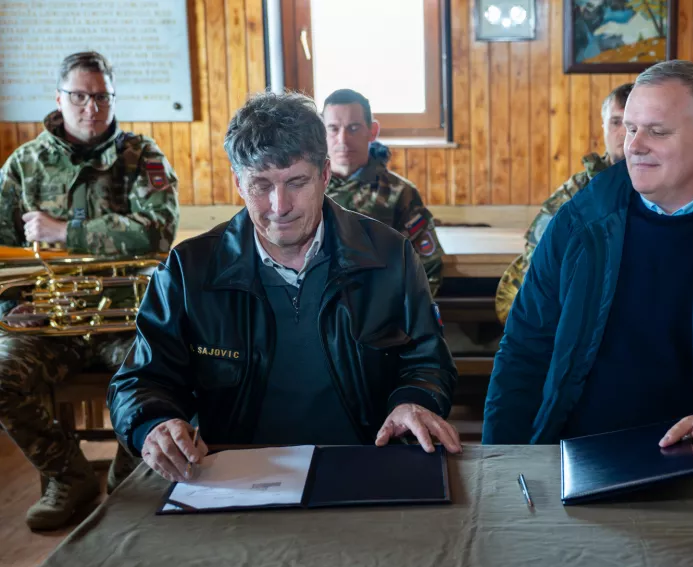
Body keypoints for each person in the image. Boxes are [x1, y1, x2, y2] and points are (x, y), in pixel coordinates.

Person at [482, 61, 693, 470]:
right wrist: (499, 462)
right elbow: (523, 349)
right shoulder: (578, 224)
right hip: (577, 460)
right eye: (630, 129)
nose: (635, 145)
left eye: (657, 131)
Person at [107, 92, 461, 483]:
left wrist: (414, 401)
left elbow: (427, 360)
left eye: (296, 182)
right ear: (238, 183)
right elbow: (140, 380)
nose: (280, 205)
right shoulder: (189, 270)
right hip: (234, 472)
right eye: (261, 185)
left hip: (366, 460)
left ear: (324, 175)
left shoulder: (390, 256)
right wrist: (154, 423)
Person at [0, 51, 179, 531]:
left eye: (101, 96)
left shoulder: (143, 156)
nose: (91, 107)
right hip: (48, 324)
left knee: (160, 371)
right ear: (60, 98)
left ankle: (130, 477)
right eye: (80, 95)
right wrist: (9, 305)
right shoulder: (22, 166)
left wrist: (65, 232)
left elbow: (157, 231)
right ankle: (69, 478)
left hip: (125, 319)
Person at [495, 82, 632, 324]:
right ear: (603, 126)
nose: (624, 132)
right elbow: (537, 265)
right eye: (616, 122)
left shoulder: (668, 186)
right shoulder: (577, 193)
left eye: (632, 123)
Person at [321, 89, 444, 296]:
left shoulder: (399, 193)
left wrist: (405, 321)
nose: (342, 139)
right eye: (333, 128)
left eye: (353, 128)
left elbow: (427, 267)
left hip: (379, 314)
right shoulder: (305, 189)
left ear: (373, 131)